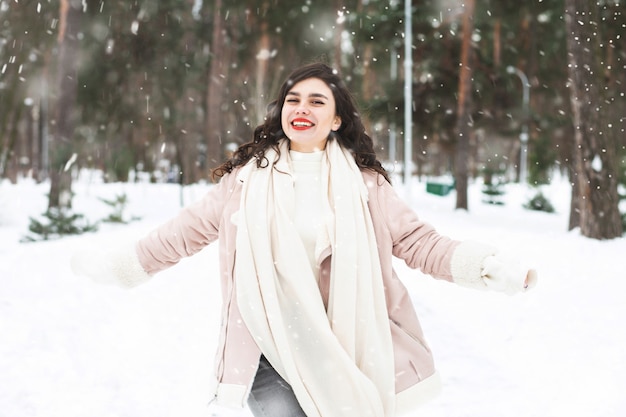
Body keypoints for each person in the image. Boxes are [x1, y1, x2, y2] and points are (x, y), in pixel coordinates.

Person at [71, 62, 537, 417]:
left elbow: (420, 243)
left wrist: (489, 267)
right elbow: (182, 233)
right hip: (268, 344)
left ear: (336, 120)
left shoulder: (366, 186)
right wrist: (120, 267)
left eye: (317, 101)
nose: (302, 109)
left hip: (345, 347)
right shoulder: (246, 182)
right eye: (294, 100)